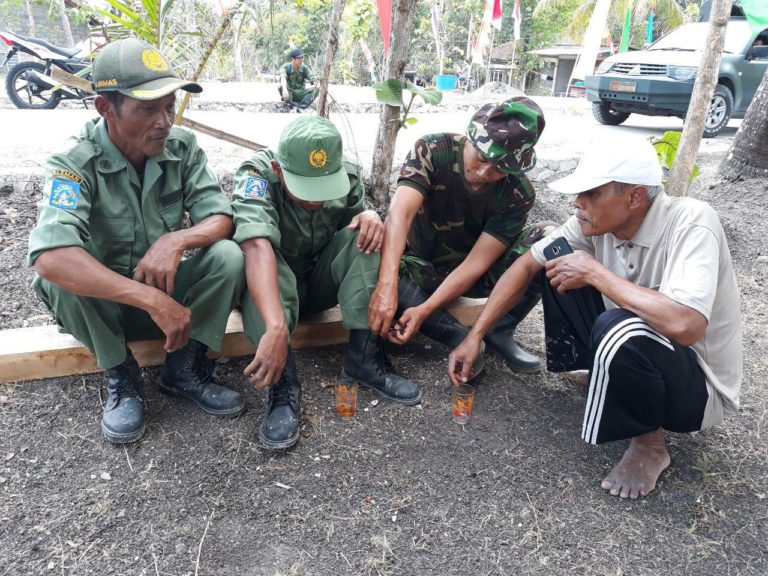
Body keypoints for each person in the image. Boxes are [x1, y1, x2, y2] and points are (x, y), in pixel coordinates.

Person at [448, 137, 742, 499]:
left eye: (590, 194)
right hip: (645, 346)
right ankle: (601, 372)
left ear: (634, 197)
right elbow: (528, 264)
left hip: (695, 389)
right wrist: (475, 335)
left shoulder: (692, 221)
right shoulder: (589, 223)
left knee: (619, 325)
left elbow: (686, 324)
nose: (578, 204)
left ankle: (650, 445)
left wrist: (595, 273)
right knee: (555, 257)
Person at [27, 38, 246, 445]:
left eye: (169, 105)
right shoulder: (74, 164)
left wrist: (176, 240)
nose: (164, 121)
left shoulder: (181, 148)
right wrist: (151, 300)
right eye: (148, 108)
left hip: (171, 306)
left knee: (228, 256)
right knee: (56, 276)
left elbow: (221, 218)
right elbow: (50, 257)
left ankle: (184, 370)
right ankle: (122, 374)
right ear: (105, 108)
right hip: (105, 310)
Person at [232, 116, 421, 450]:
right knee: (266, 259)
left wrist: (368, 217)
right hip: (271, 293)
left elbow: (352, 225)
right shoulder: (256, 177)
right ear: (279, 171)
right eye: (306, 191)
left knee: (364, 238)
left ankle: (364, 359)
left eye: (324, 189)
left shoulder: (346, 175)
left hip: (317, 285)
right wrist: (276, 327)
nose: (317, 201)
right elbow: (255, 246)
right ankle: (283, 386)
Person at [368, 97, 551, 376]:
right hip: (420, 268)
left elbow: (476, 263)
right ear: (472, 138)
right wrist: (387, 283)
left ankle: (498, 330)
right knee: (368, 254)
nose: (484, 173)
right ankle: (455, 334)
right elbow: (399, 215)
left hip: (477, 277)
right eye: (481, 158)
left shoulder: (518, 193)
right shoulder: (431, 150)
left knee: (549, 240)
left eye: (500, 169)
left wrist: (425, 310)